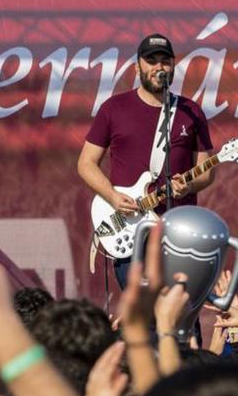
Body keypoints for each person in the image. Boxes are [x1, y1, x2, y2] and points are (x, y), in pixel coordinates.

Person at [77, 33, 214, 288]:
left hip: (179, 231)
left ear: (173, 66)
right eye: (151, 61)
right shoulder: (113, 108)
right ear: (138, 66)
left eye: (165, 61)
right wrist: (113, 196)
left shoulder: (190, 111)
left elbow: (206, 172)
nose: (158, 67)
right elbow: (86, 163)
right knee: (142, 319)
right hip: (133, 229)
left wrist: (188, 186)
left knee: (181, 313)